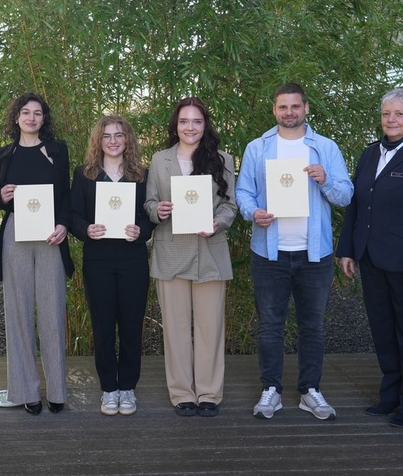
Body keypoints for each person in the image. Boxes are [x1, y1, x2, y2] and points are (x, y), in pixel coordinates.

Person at [236, 82, 353, 421]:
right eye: (283, 107)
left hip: (314, 254)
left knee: (312, 326)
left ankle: (309, 390)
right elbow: (243, 192)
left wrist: (325, 180)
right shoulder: (258, 148)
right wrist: (253, 212)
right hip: (269, 252)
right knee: (269, 326)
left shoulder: (325, 147)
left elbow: (345, 195)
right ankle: (271, 389)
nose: (289, 112)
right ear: (274, 110)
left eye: (295, 106)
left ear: (306, 108)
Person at [336, 89, 403, 427]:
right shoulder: (370, 153)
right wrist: (347, 249)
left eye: (399, 114)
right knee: (383, 330)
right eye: (386, 114)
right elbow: (357, 205)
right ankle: (391, 395)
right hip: (372, 258)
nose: (392, 120)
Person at [144, 97, 237, 418]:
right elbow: (149, 203)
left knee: (211, 328)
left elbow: (230, 205)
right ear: (176, 125)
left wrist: (217, 223)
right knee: (176, 328)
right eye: (184, 121)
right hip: (171, 252)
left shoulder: (222, 159)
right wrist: (158, 210)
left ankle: (209, 393)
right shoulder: (160, 160)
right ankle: (182, 393)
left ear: (205, 124)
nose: (190, 127)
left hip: (210, 252)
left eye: (197, 121)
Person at [0, 92, 73, 415]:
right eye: (25, 112)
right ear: (16, 118)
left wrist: (64, 225)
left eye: (37, 113)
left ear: (44, 118)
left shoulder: (57, 150)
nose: (31, 118)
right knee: (18, 312)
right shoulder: (5, 154)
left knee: (53, 311)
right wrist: (1, 196)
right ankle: (26, 390)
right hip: (16, 233)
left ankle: (56, 389)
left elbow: (66, 195)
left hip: (50, 233)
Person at [71, 115, 153, 416]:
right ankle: (109, 388)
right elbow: (73, 214)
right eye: (107, 136)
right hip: (98, 259)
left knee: (131, 325)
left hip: (133, 259)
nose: (113, 141)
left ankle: (127, 386)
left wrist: (141, 231)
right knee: (103, 325)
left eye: (119, 135)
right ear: (98, 141)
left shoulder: (141, 175)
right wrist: (86, 229)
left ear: (128, 139)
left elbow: (150, 217)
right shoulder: (85, 174)